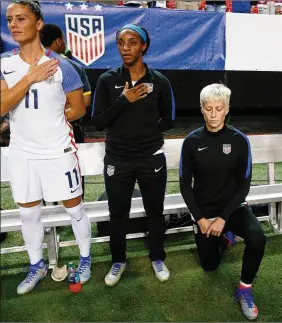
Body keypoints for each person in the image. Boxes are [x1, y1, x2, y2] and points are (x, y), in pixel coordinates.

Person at [1, 0, 92, 295]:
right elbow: (2, 105)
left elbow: (77, 109)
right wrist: (30, 77)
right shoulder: (4, 64)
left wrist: (49, 119)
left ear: (39, 24)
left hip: (57, 152)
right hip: (22, 154)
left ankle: (85, 259)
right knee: (28, 213)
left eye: (21, 19)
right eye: (10, 19)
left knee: (75, 209)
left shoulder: (63, 65)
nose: (14, 24)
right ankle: (37, 265)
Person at [92, 24, 175, 286]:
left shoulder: (160, 81)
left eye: (132, 42)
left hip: (151, 158)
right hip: (118, 160)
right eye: (120, 43)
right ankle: (118, 261)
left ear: (143, 46)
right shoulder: (107, 80)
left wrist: (148, 133)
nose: (125, 48)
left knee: (154, 211)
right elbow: (98, 122)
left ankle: (157, 257)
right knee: (118, 214)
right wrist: (124, 100)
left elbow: (169, 119)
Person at [179, 83, 266, 320]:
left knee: (258, 238)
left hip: (232, 209)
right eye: (209, 109)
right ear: (202, 109)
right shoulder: (191, 142)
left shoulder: (239, 141)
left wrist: (223, 219)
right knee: (209, 266)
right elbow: (185, 185)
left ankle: (244, 289)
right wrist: (201, 218)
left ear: (227, 109)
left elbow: (244, 186)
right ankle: (226, 238)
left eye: (219, 108)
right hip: (204, 212)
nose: (214, 114)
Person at [40, 23, 92, 199]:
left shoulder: (28, 66)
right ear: (58, 41)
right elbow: (84, 101)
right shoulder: (72, 66)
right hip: (69, 127)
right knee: (73, 170)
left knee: (42, 171)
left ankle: (49, 221)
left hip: (38, 130)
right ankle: (77, 209)